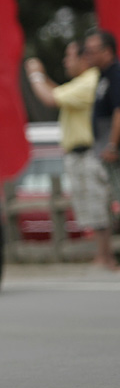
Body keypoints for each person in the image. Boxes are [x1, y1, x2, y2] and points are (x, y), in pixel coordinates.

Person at [26, 41, 115, 269]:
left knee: (98, 205)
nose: (66, 61)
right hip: (79, 154)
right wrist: (43, 77)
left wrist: (36, 75)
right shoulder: (82, 83)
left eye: (70, 56)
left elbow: (50, 98)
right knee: (91, 206)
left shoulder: (90, 81)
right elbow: (59, 93)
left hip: (89, 152)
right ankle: (102, 256)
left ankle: (106, 257)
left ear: (84, 59)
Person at [83, 28, 120, 267]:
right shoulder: (102, 76)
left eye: (91, 50)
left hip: (114, 150)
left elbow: (119, 110)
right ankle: (105, 256)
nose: (87, 55)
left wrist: (112, 145)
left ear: (107, 51)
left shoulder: (116, 74)